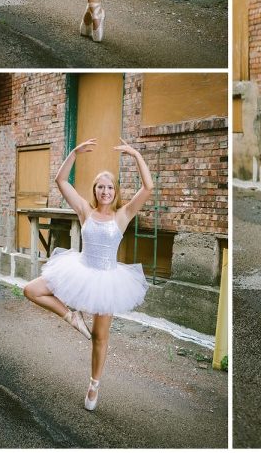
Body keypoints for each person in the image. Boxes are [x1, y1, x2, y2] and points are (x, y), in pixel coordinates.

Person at [24, 138, 154, 410]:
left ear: (114, 191)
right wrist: (73, 153)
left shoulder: (124, 214)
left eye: (110, 187)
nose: (105, 191)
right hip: (80, 270)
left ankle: (94, 385)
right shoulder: (85, 210)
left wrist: (135, 154)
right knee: (31, 290)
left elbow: (148, 187)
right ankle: (71, 316)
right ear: (95, 191)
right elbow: (61, 181)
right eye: (100, 187)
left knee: (100, 337)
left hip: (107, 280)